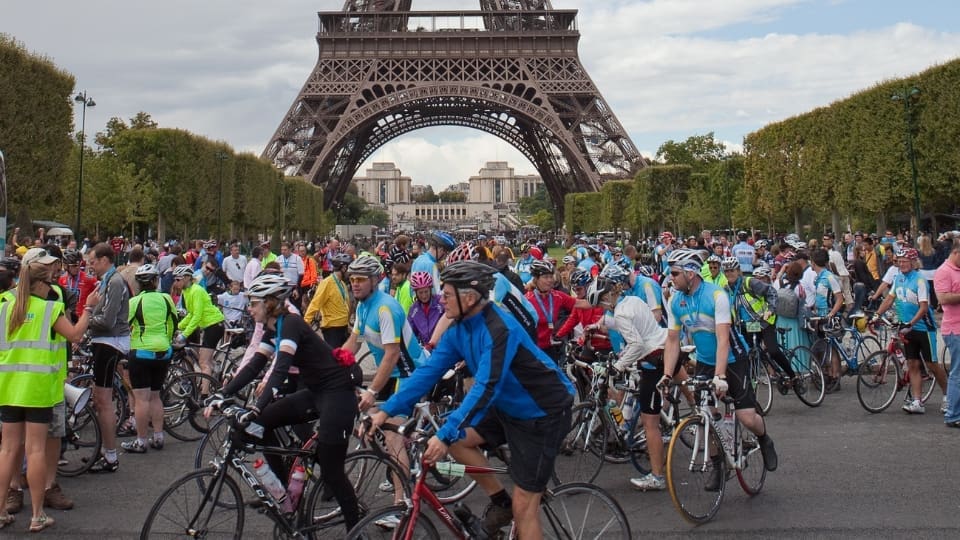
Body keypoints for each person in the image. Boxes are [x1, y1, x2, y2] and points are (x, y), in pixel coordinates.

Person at [366, 261, 575, 538]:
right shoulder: (460, 329)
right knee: (457, 440)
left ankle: (515, 507)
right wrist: (386, 410)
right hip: (508, 406)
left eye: (448, 294)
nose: (441, 299)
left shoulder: (500, 329)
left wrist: (445, 433)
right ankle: (501, 502)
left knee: (526, 507)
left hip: (543, 413)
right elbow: (428, 372)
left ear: (469, 297)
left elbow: (486, 387)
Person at [205, 274, 361, 533]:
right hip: (315, 391)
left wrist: (256, 406)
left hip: (338, 393)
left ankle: (356, 530)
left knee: (333, 472)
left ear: (269, 303)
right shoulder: (273, 328)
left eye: (253, 303)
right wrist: (222, 393)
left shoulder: (291, 324)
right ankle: (286, 495)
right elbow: (256, 363)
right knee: (262, 424)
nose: (249, 308)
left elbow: (280, 368)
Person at [659, 248, 778, 490]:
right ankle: (717, 464)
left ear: (690, 273)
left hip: (734, 359)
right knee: (706, 414)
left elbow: (723, 339)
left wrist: (720, 376)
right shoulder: (676, 301)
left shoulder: (716, 296)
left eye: (674, 273)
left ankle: (764, 439)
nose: (670, 278)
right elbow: (672, 340)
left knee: (746, 417)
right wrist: (667, 374)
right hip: (704, 359)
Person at [0, 248, 98, 531]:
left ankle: (2, 512)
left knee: (7, 450)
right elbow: (76, 335)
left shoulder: (5, 304)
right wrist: (89, 309)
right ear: (42, 284)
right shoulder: (49, 309)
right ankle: (37, 515)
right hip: (39, 389)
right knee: (36, 450)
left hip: (9, 388)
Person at [874, 249, 947, 414]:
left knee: (931, 365)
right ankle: (917, 401)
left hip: (924, 328)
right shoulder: (898, 278)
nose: (902, 264)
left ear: (913, 263)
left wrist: (911, 323)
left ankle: (948, 396)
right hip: (907, 328)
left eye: (905, 261)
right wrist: (877, 314)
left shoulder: (920, 280)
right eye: (899, 261)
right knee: (912, 364)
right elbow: (890, 298)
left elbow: (923, 307)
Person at [119, 264, 178, 453]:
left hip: (141, 352)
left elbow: (124, 326)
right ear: (155, 281)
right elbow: (173, 323)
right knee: (155, 395)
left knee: (141, 399)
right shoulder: (166, 299)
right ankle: (159, 436)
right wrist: (166, 341)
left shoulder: (135, 302)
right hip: (163, 351)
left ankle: (141, 440)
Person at [85, 243, 132, 473]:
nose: (90, 266)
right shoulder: (108, 281)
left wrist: (86, 315)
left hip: (109, 342)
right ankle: (105, 451)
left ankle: (111, 456)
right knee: (100, 398)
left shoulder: (114, 282)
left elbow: (108, 320)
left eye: (92, 262)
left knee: (104, 401)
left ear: (105, 260)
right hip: (105, 341)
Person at [173, 264, 225, 387]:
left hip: (214, 324)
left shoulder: (196, 290)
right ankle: (214, 370)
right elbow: (191, 314)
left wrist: (184, 334)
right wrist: (177, 326)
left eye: (178, 279)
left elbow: (197, 315)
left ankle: (204, 395)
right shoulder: (186, 291)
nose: (176, 282)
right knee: (202, 357)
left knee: (203, 362)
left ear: (186, 278)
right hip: (208, 325)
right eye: (175, 279)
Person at [303, 252, 353, 349]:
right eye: (349, 268)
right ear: (343, 268)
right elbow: (315, 304)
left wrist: (347, 325)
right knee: (333, 359)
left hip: (343, 327)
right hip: (332, 328)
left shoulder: (342, 284)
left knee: (345, 358)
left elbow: (344, 305)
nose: (349, 272)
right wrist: (305, 324)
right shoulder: (327, 283)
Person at [935, 244, 960, 427]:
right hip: (954, 329)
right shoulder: (944, 271)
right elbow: (943, 298)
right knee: (957, 373)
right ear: (956, 253)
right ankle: (952, 415)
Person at [58, 248, 98, 319]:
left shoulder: (89, 279)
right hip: (67, 318)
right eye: (74, 265)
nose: (77, 268)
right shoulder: (61, 280)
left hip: (83, 319)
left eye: (79, 264)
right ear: (66, 266)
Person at [407, 271, 443, 346]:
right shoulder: (413, 309)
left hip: (443, 348)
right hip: (426, 350)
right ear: (416, 292)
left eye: (426, 291)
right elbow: (410, 334)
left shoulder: (441, 302)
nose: (424, 296)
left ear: (430, 289)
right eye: (420, 292)